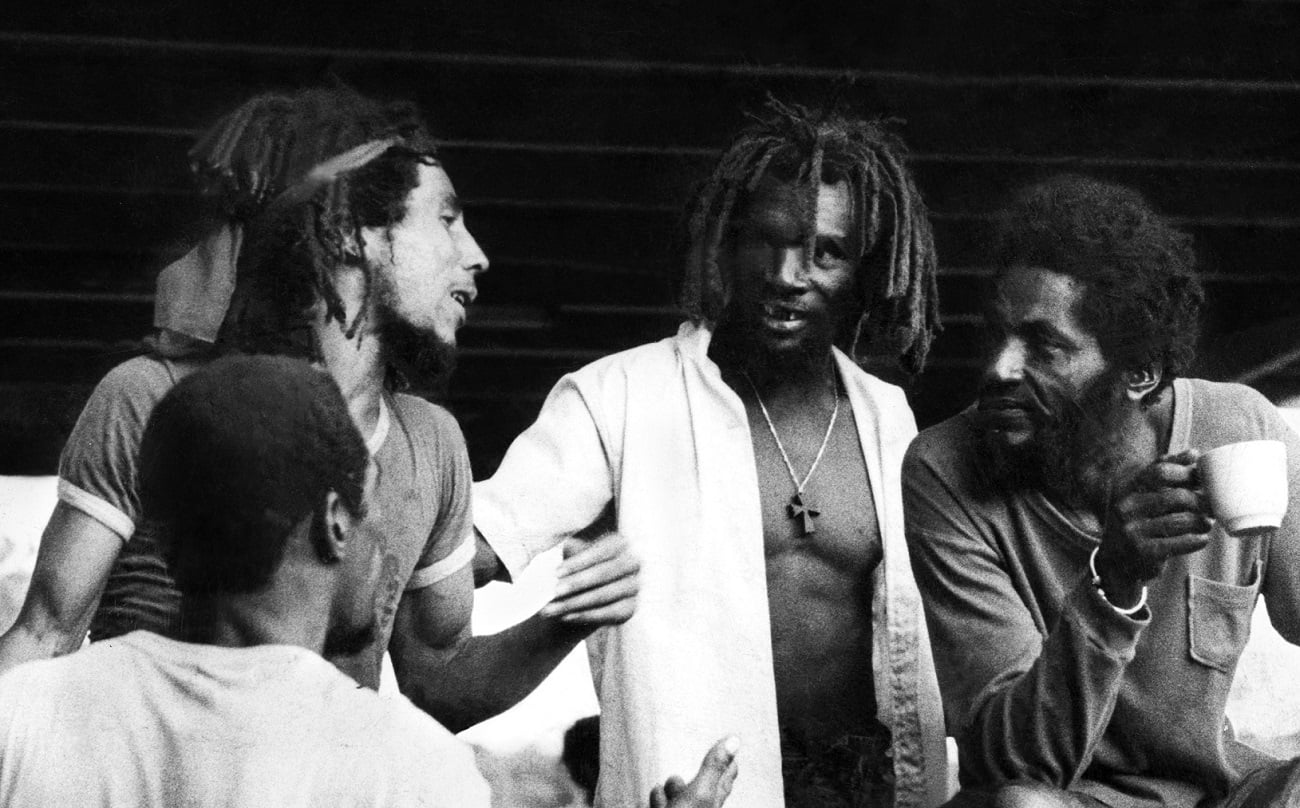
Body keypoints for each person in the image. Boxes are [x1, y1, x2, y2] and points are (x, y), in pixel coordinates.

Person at [0, 86, 640, 731]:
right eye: (446, 219)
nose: (476, 255)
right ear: (350, 232)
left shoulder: (432, 444)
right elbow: (45, 637)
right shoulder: (149, 397)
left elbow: (437, 679)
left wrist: (562, 623)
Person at [473, 99, 949, 808]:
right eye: (768, 240)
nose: (788, 274)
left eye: (825, 252)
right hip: (697, 791)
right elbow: (475, 542)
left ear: (865, 268)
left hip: (865, 789)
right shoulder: (619, 397)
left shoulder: (889, 420)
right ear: (728, 242)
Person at [0, 355, 740, 808]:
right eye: (371, 514)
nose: (386, 548)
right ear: (336, 525)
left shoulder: (24, 718)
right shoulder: (408, 769)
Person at [903, 176, 1300, 808]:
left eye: (1043, 346)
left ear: (1139, 373)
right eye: (998, 334)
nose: (999, 368)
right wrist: (1113, 582)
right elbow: (1015, 763)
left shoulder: (1239, 430)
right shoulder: (944, 471)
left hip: (1222, 795)